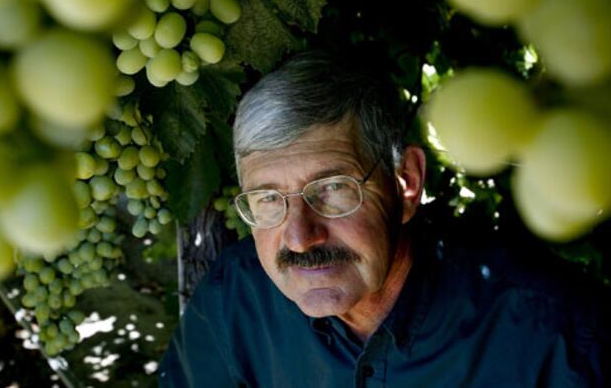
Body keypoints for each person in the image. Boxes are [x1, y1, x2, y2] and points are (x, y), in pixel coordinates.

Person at [158, 51, 608, 387]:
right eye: (268, 199)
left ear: (406, 183)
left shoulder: (559, 338)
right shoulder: (232, 299)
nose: (298, 237)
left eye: (333, 188)